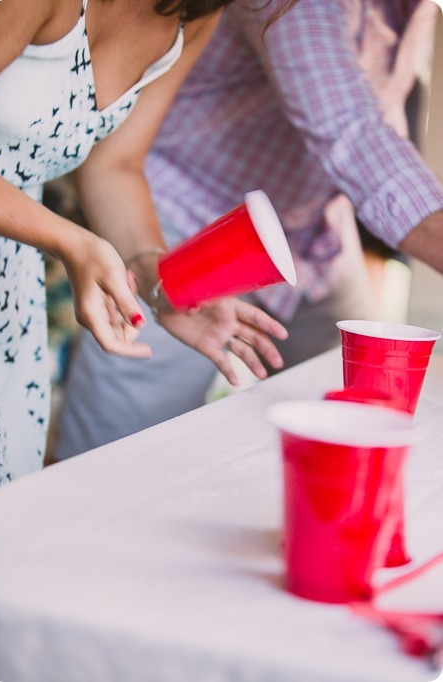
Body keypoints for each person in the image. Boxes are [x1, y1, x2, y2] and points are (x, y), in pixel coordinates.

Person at [53, 0, 443, 461]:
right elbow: (348, 127)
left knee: (358, 425)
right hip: (190, 229)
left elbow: (379, 110)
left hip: (313, 238)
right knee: (111, 460)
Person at [0, 0, 297, 491]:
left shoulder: (192, 14)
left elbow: (113, 166)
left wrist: (163, 283)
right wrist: (69, 240)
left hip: (5, 289)